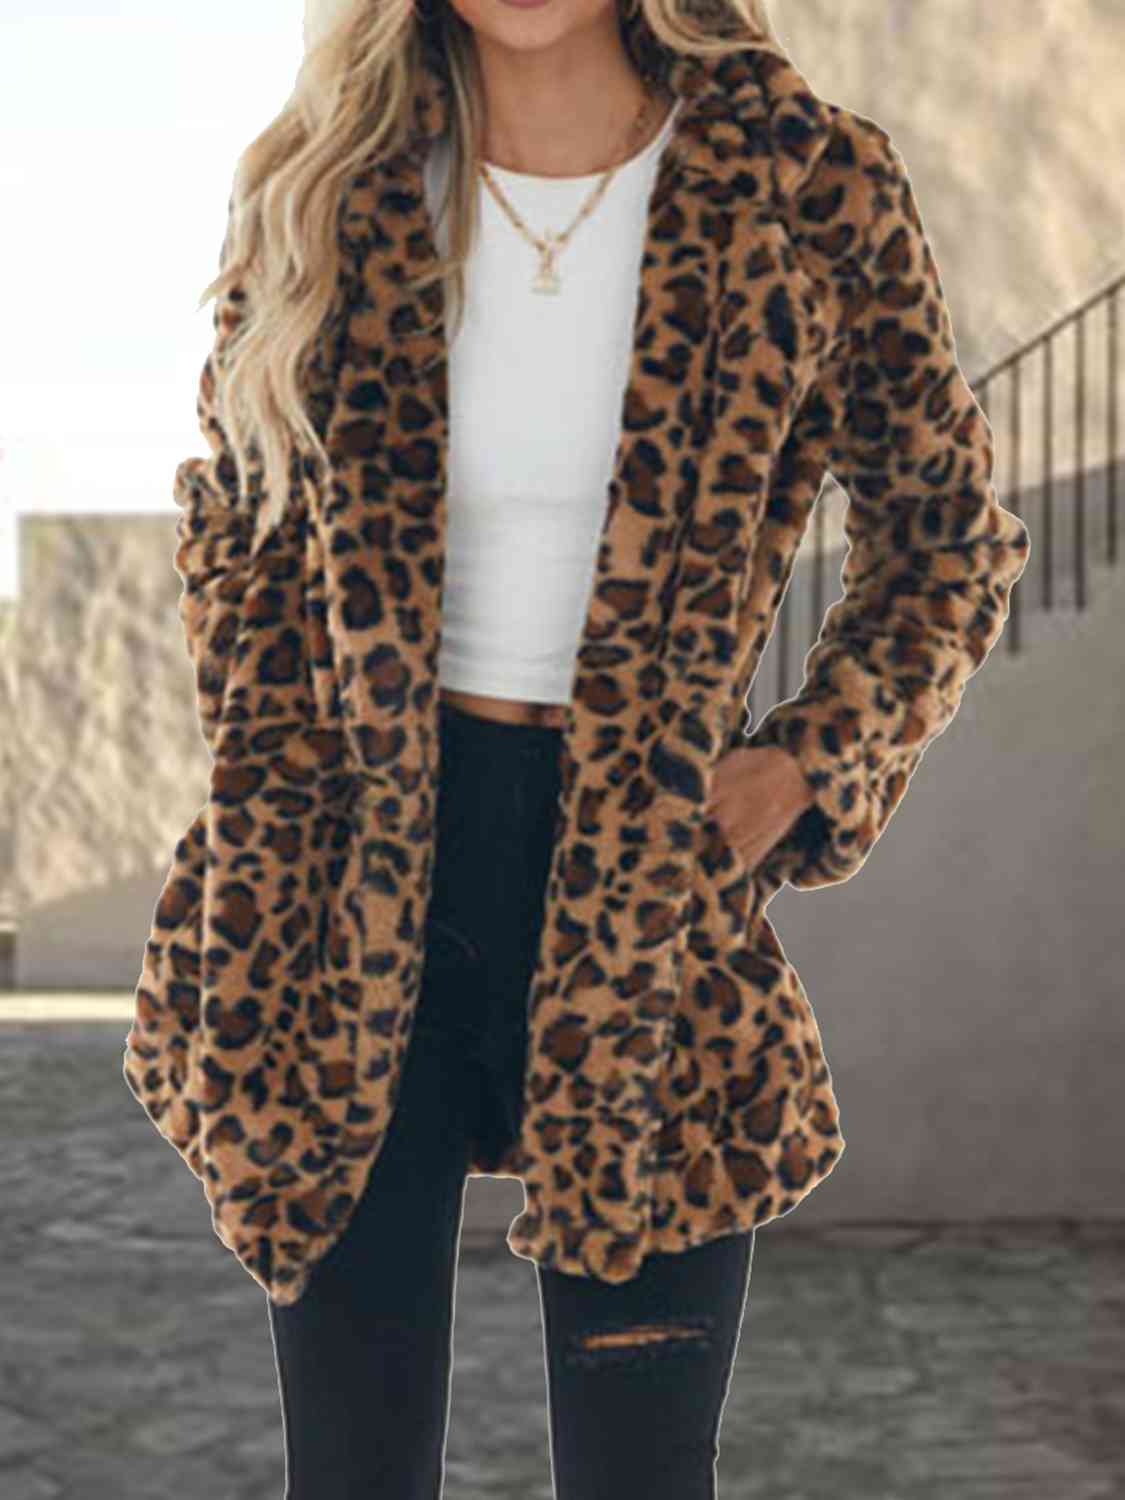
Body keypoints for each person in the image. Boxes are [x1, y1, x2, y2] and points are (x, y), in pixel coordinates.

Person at [121, 0, 1031, 1494]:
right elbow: (237, 521)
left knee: (643, 1475)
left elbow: (948, 541)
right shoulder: (334, 181)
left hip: (646, 887)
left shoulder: (806, 184)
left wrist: (809, 761)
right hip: (355, 886)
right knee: (350, 1474)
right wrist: (271, 788)